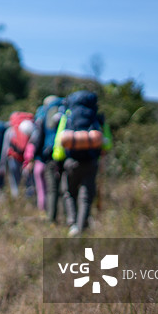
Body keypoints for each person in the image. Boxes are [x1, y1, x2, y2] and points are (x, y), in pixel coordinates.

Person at [52, 90, 112, 237]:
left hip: (71, 161)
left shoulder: (68, 116)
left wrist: (59, 161)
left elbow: (59, 142)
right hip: (91, 162)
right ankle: (81, 226)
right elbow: (107, 143)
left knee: (69, 193)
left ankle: (72, 223)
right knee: (86, 196)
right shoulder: (97, 117)